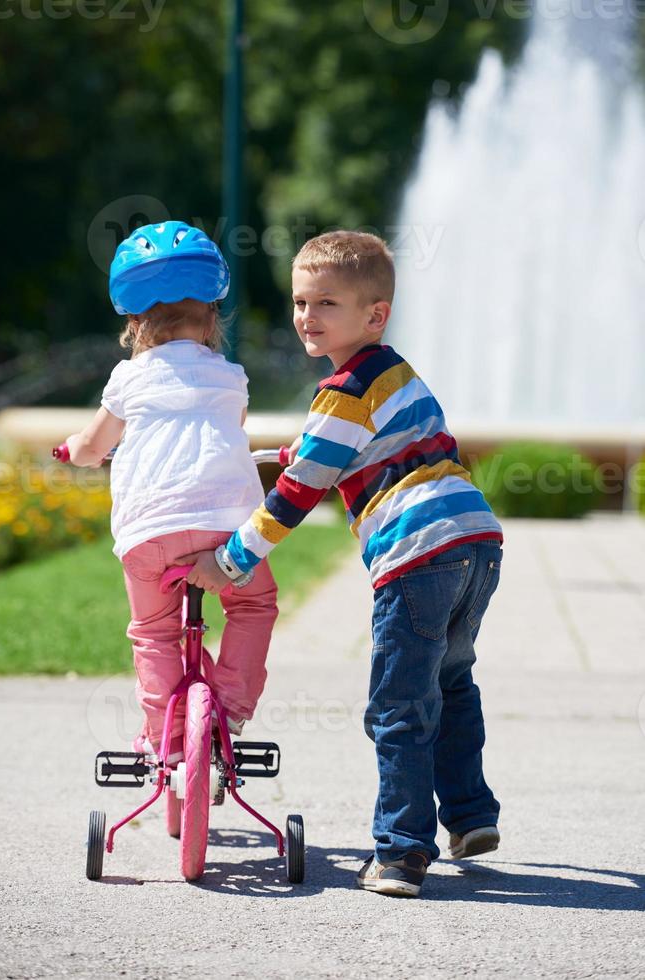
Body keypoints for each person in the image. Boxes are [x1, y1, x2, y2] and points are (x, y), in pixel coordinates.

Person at [176, 230, 503, 897]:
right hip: (476, 541)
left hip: (415, 554)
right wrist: (305, 447)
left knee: (397, 706)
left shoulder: (341, 393)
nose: (307, 317)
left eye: (327, 303)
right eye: (300, 301)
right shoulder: (392, 373)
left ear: (374, 314)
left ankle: (401, 853)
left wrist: (228, 562)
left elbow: (297, 495)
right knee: (451, 680)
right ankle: (470, 817)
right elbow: (371, 443)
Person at [65, 221, 278, 764]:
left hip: (149, 531)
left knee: (155, 634)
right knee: (253, 604)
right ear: (212, 318)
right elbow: (233, 428)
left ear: (135, 323)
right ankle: (229, 710)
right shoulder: (231, 376)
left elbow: (94, 447)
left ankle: (165, 738)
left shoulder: (126, 379)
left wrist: (74, 449)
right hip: (228, 525)